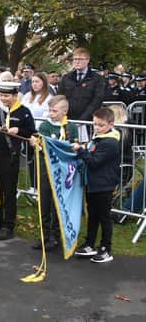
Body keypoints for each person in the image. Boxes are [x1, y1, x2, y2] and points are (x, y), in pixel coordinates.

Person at [0, 81, 36, 240]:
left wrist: (18, 130)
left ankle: (8, 225)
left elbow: (31, 131)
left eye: (7, 96)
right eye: (2, 95)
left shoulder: (23, 112)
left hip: (12, 156)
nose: (4, 98)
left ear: (15, 95)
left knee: (9, 192)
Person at [29, 96, 79, 251]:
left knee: (57, 203)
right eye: (49, 110)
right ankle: (44, 235)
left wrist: (74, 146)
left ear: (65, 111)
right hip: (47, 169)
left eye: (54, 111)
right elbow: (43, 146)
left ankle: (55, 236)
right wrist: (36, 144)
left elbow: (72, 146)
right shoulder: (45, 126)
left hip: (63, 171)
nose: (51, 113)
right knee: (44, 202)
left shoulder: (71, 128)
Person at [72, 107, 121, 263]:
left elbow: (94, 162)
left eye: (101, 125)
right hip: (92, 184)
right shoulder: (98, 139)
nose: (97, 128)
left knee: (104, 218)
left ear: (111, 124)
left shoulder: (110, 143)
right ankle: (90, 244)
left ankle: (106, 248)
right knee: (92, 216)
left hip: (104, 186)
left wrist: (81, 150)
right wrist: (85, 148)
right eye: (95, 124)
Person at [58, 47, 105, 141]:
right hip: (68, 120)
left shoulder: (97, 79)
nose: (77, 62)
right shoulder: (66, 78)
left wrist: (82, 119)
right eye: (75, 59)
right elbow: (60, 98)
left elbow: (96, 101)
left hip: (88, 122)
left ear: (87, 60)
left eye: (80, 59)